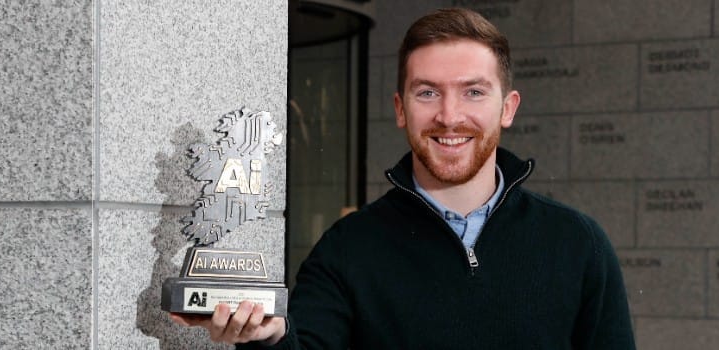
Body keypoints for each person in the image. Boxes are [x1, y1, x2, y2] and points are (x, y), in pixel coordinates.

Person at [171, 8, 635, 349]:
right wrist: (269, 338)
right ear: (400, 109)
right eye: (428, 92)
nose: (449, 116)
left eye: (473, 91)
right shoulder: (347, 249)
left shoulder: (577, 245)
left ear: (508, 107)